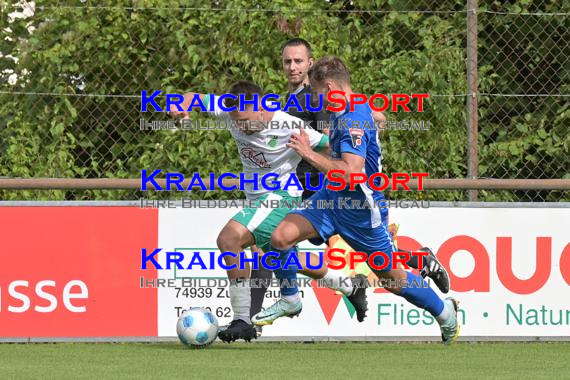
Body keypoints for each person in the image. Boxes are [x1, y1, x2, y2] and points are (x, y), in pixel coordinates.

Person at [251, 57, 460, 344]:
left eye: (315, 92)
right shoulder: (350, 106)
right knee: (281, 237)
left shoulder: (351, 119)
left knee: (393, 281)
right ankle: (290, 299)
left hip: (362, 211)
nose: (314, 99)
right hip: (331, 199)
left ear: (330, 86)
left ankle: (444, 312)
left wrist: (307, 152)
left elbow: (351, 174)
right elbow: (376, 118)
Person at [168, 80, 368, 343]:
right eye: (236, 122)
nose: (241, 127)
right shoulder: (228, 109)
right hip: (257, 199)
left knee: (229, 239)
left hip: (283, 196)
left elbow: (330, 145)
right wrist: (179, 106)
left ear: (261, 107)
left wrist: (359, 152)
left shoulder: (289, 125)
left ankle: (242, 319)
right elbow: (192, 96)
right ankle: (350, 285)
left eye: (246, 121)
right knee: (283, 260)